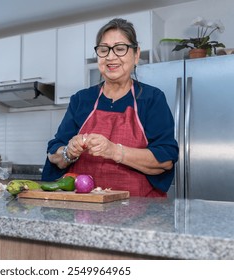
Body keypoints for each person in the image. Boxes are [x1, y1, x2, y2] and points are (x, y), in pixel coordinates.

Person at [41, 18, 179, 197]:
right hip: (84, 211)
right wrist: (68, 151)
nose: (111, 57)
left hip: (140, 213)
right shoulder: (82, 100)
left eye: (120, 49)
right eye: (103, 50)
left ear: (136, 54)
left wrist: (114, 151)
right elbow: (54, 153)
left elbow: (165, 159)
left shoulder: (151, 99)